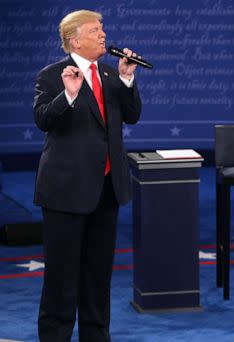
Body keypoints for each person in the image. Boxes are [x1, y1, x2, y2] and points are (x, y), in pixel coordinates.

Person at [33, 9, 141, 341]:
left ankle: (96, 336)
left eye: (102, 28)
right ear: (74, 40)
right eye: (95, 30)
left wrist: (126, 79)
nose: (103, 34)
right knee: (62, 277)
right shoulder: (53, 76)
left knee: (97, 277)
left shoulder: (110, 74)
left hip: (106, 190)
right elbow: (43, 120)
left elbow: (133, 116)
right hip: (66, 191)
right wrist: (68, 95)